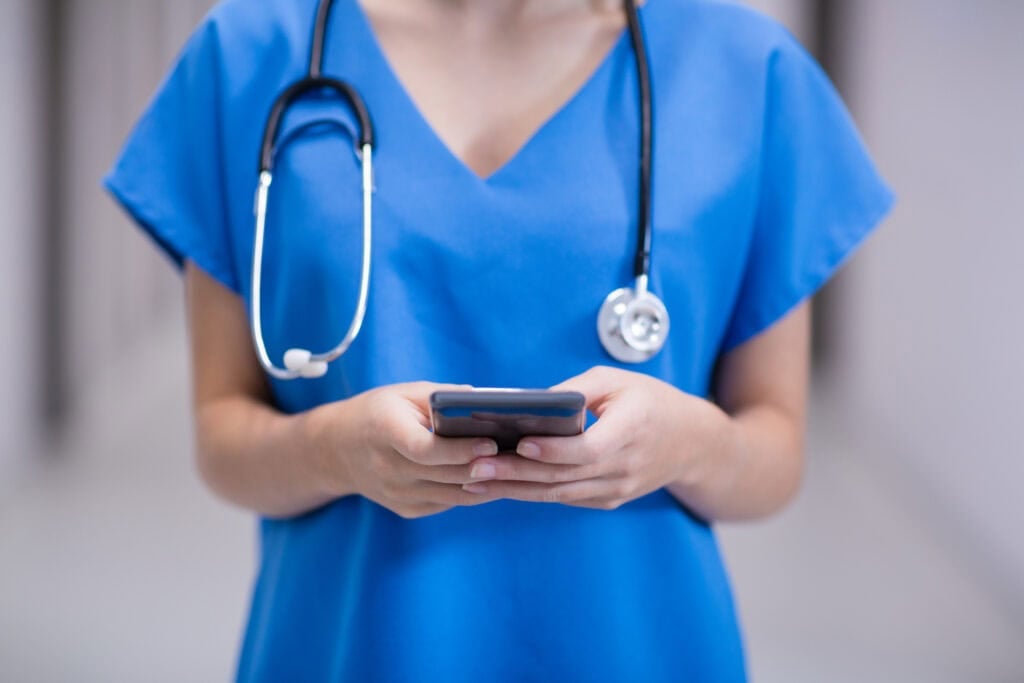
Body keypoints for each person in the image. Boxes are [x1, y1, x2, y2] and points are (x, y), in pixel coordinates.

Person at [105, 0, 892, 680]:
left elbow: (775, 453)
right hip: (353, 652)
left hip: (637, 649)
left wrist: (683, 444)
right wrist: (335, 449)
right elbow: (222, 438)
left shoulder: (746, 74)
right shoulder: (249, 53)